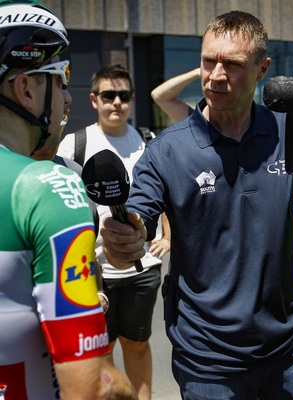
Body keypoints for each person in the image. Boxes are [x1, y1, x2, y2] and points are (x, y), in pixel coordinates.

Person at [100, 10, 293, 399]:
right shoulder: (167, 151)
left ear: (262, 68)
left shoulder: (288, 133)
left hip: (290, 348)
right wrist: (125, 237)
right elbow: (137, 218)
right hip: (208, 361)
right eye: (207, 60)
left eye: (231, 64)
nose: (215, 75)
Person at [0, 1, 136, 399]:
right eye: (61, 78)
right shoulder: (48, 186)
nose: (68, 97)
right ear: (26, 89)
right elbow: (96, 387)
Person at [57, 64, 170, 400]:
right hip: (93, 270)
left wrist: (166, 237)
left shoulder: (148, 141)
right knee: (101, 352)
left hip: (143, 265)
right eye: (108, 95)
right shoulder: (73, 144)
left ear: (132, 100)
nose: (116, 102)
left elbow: (165, 197)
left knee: (137, 345)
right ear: (94, 99)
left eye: (123, 96)